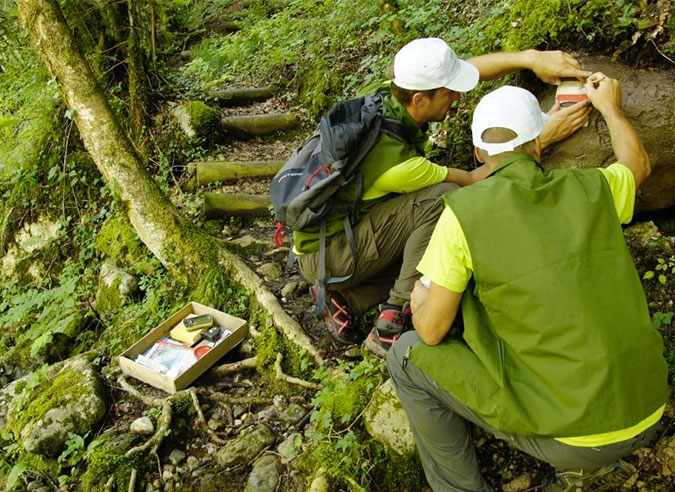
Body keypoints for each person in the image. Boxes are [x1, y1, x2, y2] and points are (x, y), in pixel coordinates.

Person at [387, 78, 668, 491]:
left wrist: (421, 295)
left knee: (406, 355)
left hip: (574, 436)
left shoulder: (463, 214)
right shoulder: (592, 186)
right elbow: (636, 163)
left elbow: (431, 330)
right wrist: (610, 107)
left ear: (480, 153)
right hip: (648, 409)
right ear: (538, 143)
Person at [293, 37, 592, 355]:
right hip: (330, 255)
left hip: (331, 237)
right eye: (450, 94)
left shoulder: (387, 95)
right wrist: (538, 137)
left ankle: (349, 298)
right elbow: (474, 180)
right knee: (442, 201)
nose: (458, 99)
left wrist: (529, 58)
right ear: (420, 99)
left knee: (432, 239)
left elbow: (469, 71)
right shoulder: (401, 165)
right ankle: (393, 320)